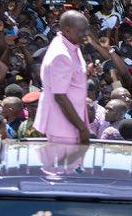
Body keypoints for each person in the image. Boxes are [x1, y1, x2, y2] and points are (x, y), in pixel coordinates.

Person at [34, 10, 91, 145]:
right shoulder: (61, 55)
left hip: (69, 121)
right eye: (82, 31)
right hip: (62, 126)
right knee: (63, 165)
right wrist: (82, 128)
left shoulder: (68, 42)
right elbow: (60, 96)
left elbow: (70, 75)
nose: (86, 34)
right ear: (67, 30)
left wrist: (86, 72)